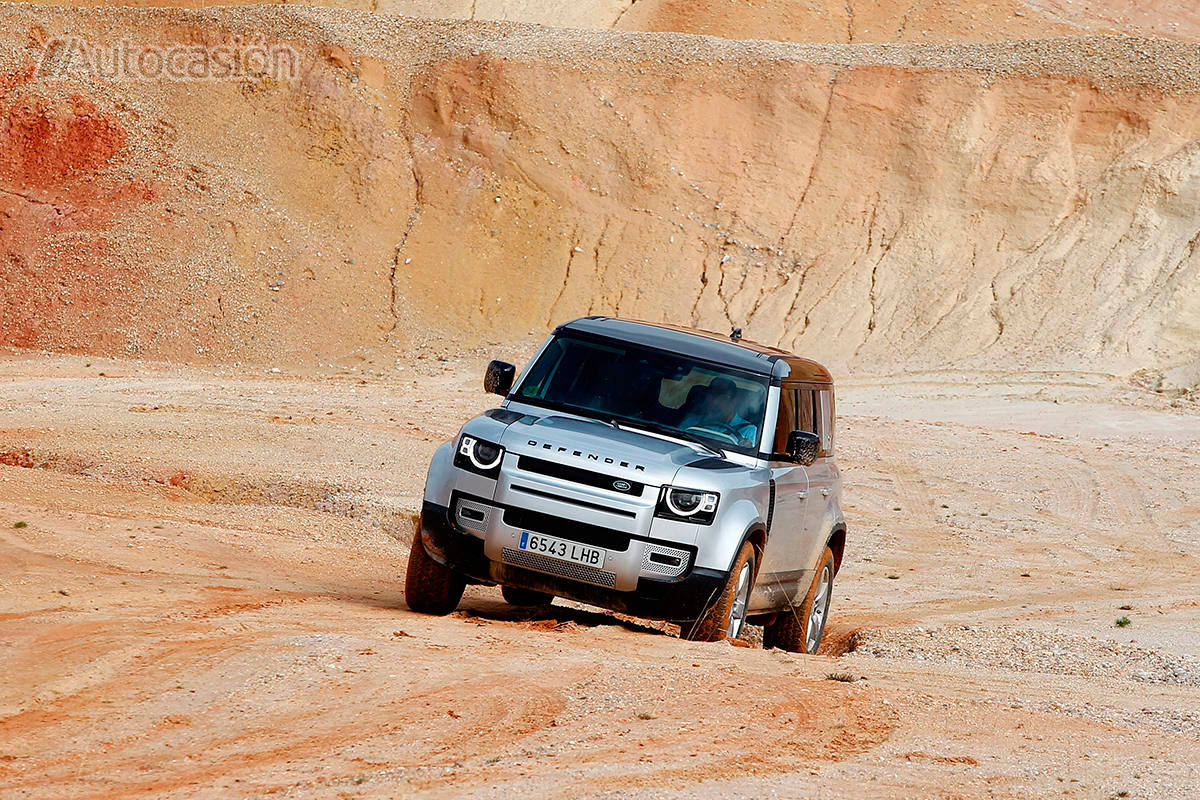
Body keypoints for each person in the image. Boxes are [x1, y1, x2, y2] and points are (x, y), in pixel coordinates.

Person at [680, 377, 758, 445]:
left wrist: (747, 448)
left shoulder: (749, 430)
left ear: (734, 401)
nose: (715, 402)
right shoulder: (692, 421)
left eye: (723, 397)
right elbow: (677, 441)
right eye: (712, 396)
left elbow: (747, 458)